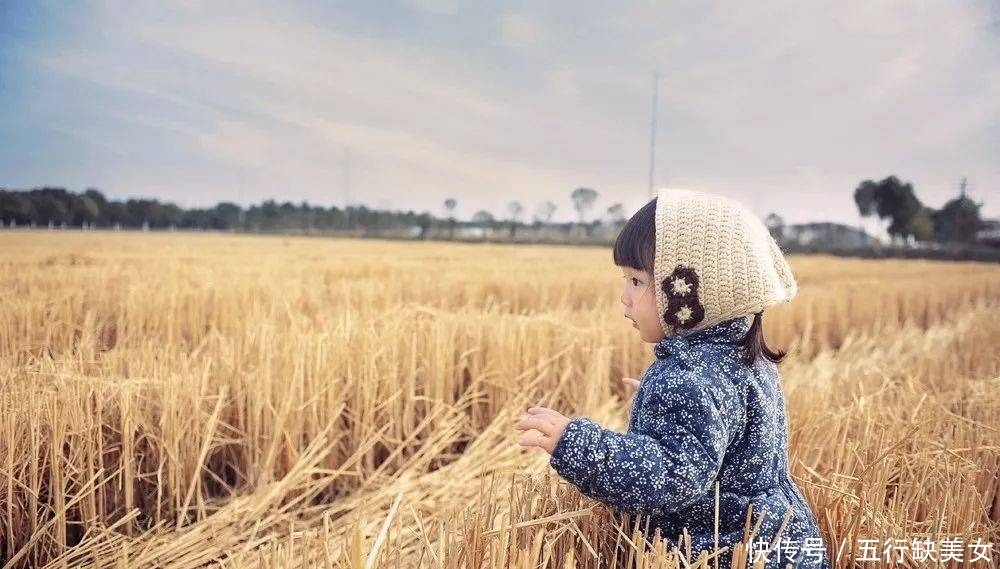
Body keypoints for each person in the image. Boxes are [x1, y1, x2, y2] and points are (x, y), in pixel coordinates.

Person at [515, 188, 830, 569]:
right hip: (775, 538)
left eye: (636, 281)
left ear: (687, 293)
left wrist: (577, 443)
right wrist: (657, 404)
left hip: (727, 552)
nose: (623, 297)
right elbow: (720, 433)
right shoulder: (738, 356)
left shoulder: (689, 378)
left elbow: (670, 478)